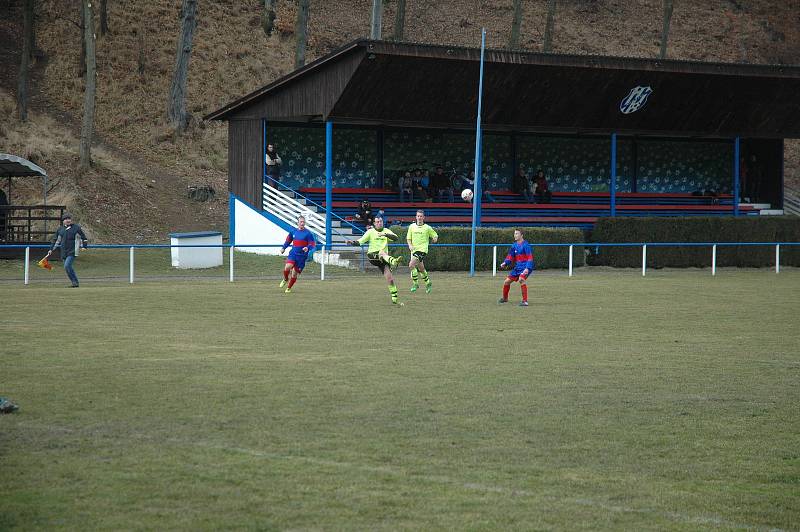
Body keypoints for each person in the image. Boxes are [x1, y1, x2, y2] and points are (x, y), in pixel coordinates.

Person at [347, 216, 404, 304]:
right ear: (374, 223)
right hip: (372, 256)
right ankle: (393, 261)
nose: (379, 223)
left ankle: (394, 296)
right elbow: (360, 241)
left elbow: (396, 238)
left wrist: (385, 234)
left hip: (383, 258)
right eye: (377, 222)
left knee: (390, 278)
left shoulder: (386, 231)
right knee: (382, 252)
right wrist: (352, 243)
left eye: (380, 221)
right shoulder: (370, 232)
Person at [45, 213, 88, 288]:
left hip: (73, 251)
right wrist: (51, 249)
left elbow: (84, 238)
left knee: (67, 265)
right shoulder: (60, 229)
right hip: (64, 251)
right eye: (66, 219)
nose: (68, 220)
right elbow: (56, 240)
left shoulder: (76, 228)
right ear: (63, 221)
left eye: (69, 219)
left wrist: (84, 246)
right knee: (66, 267)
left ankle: (75, 282)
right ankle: (74, 283)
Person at [279, 215, 316, 294]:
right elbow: (288, 240)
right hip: (293, 253)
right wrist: (283, 248)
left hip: (302, 256)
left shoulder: (308, 233)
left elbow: (312, 244)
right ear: (298, 223)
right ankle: (285, 279)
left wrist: (307, 248)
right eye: (301, 222)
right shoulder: (293, 232)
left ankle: (289, 288)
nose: (302, 223)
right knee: (287, 267)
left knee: (294, 273)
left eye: (303, 222)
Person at [498, 229, 534, 307]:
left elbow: (530, 258)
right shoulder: (514, 245)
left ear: (521, 235)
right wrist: (505, 262)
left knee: (521, 279)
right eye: (514, 233)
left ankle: (525, 301)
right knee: (506, 282)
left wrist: (527, 268)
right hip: (517, 267)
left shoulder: (526, 245)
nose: (515, 235)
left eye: (517, 233)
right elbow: (510, 256)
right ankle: (505, 298)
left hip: (525, 267)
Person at [406, 209, 439, 294]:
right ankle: (428, 283)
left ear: (423, 217)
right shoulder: (411, 226)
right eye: (418, 216)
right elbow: (408, 238)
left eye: (421, 216)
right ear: (416, 217)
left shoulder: (427, 228)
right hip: (414, 250)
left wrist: (435, 238)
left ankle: (415, 284)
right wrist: (410, 245)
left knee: (411, 265)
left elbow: (435, 235)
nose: (419, 218)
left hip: (423, 250)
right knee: (421, 268)